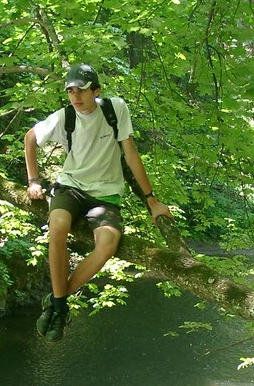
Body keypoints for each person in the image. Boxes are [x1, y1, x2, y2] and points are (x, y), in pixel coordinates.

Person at [24, 63, 172, 342]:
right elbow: (30, 137)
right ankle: (61, 307)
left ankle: (56, 301)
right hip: (70, 187)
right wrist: (33, 180)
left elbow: (131, 155)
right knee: (57, 228)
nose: (75, 97)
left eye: (81, 91)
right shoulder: (65, 116)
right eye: (70, 91)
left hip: (105, 196)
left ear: (96, 91)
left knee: (107, 245)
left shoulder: (115, 110)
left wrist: (152, 201)